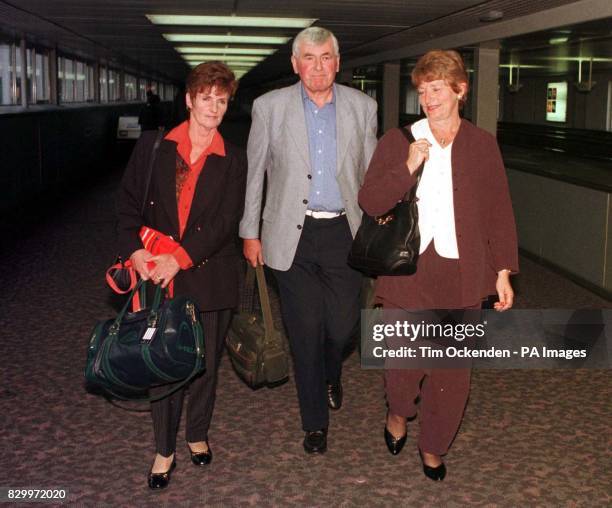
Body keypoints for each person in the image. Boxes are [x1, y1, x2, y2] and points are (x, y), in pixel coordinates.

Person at [358, 50, 518, 480]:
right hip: (407, 270)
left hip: (461, 274)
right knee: (403, 366)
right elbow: (370, 201)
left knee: (451, 373)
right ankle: (398, 410)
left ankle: (433, 445)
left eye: (437, 89)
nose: (428, 98)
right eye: (423, 90)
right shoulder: (399, 139)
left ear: (460, 90)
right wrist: (409, 164)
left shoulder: (482, 144)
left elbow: (498, 210)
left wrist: (502, 271)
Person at [239, 26, 378, 454]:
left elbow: (372, 172)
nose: (317, 67)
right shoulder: (269, 107)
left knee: (340, 326)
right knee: (304, 330)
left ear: (337, 62)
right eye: (309, 58)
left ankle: (331, 370)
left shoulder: (363, 107)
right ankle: (314, 423)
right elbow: (255, 171)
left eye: (326, 58)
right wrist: (249, 231)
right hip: (289, 235)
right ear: (295, 64)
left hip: (344, 232)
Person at [117, 62, 246, 489]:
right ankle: (164, 448)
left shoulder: (233, 158)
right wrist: (135, 251)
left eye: (221, 100)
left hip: (210, 275)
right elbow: (127, 206)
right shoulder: (155, 147)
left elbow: (227, 222)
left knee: (205, 364)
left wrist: (182, 257)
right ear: (189, 100)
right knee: (163, 362)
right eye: (205, 98)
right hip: (157, 274)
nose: (213, 107)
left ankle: (197, 434)